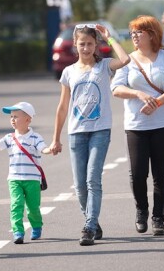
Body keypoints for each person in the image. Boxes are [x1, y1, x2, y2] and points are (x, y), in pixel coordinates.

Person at [49, 23, 130, 246]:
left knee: (93, 179)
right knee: (79, 185)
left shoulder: (104, 66)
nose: (86, 48)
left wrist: (110, 37)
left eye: (90, 44)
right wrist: (56, 138)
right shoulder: (68, 72)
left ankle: (89, 226)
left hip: (100, 131)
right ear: (75, 45)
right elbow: (63, 106)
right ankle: (92, 220)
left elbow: (125, 60)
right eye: (82, 43)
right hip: (76, 133)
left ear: (96, 46)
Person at [111, 15, 164, 236]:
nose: (134, 36)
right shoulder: (128, 60)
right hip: (136, 125)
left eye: (138, 32)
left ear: (152, 34)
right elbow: (116, 89)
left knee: (161, 174)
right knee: (138, 173)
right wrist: (138, 93)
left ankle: (158, 218)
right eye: (132, 33)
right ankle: (141, 211)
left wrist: (157, 103)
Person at [0, 102, 52, 244]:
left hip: (33, 179)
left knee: (33, 207)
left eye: (16, 116)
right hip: (14, 179)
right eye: (11, 116)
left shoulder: (35, 137)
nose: (12, 119)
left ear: (28, 120)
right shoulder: (9, 138)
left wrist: (50, 150)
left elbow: (43, 149)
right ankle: (18, 232)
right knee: (16, 204)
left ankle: (36, 226)